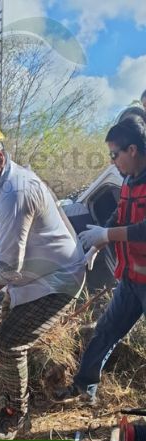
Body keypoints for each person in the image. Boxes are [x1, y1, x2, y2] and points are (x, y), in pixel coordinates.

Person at [0, 115, 85, 439]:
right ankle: (7, 408)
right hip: (27, 278)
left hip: (58, 279)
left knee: (10, 343)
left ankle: (17, 421)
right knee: (5, 341)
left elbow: (7, 268)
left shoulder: (16, 191)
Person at [57, 116, 146, 405]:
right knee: (105, 330)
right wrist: (98, 242)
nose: (112, 161)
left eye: (114, 154)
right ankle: (85, 387)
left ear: (132, 150)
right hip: (131, 280)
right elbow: (120, 216)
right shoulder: (129, 181)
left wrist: (108, 234)